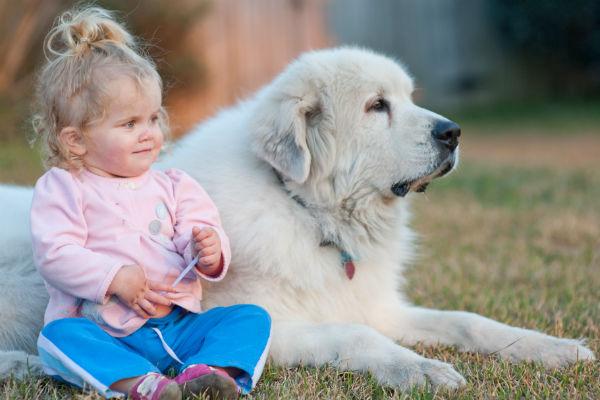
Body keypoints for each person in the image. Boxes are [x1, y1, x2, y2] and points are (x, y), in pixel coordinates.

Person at [29, 6, 271, 400]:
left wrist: (206, 247)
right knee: (59, 338)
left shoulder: (174, 184)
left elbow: (200, 228)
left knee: (250, 317)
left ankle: (207, 372)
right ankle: (141, 384)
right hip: (106, 331)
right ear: (76, 140)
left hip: (178, 324)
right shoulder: (64, 187)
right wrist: (114, 277)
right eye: (129, 124)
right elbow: (54, 254)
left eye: (153, 119)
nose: (148, 134)